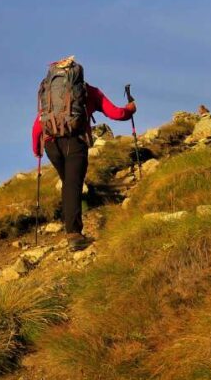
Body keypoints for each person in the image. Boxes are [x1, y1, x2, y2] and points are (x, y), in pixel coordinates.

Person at [31, 56, 136, 251]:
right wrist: (129, 110)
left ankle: (74, 217)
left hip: (51, 144)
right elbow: (116, 113)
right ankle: (74, 234)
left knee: (69, 184)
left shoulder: (49, 94)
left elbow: (38, 124)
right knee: (72, 185)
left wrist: (37, 150)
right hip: (75, 142)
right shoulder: (89, 91)